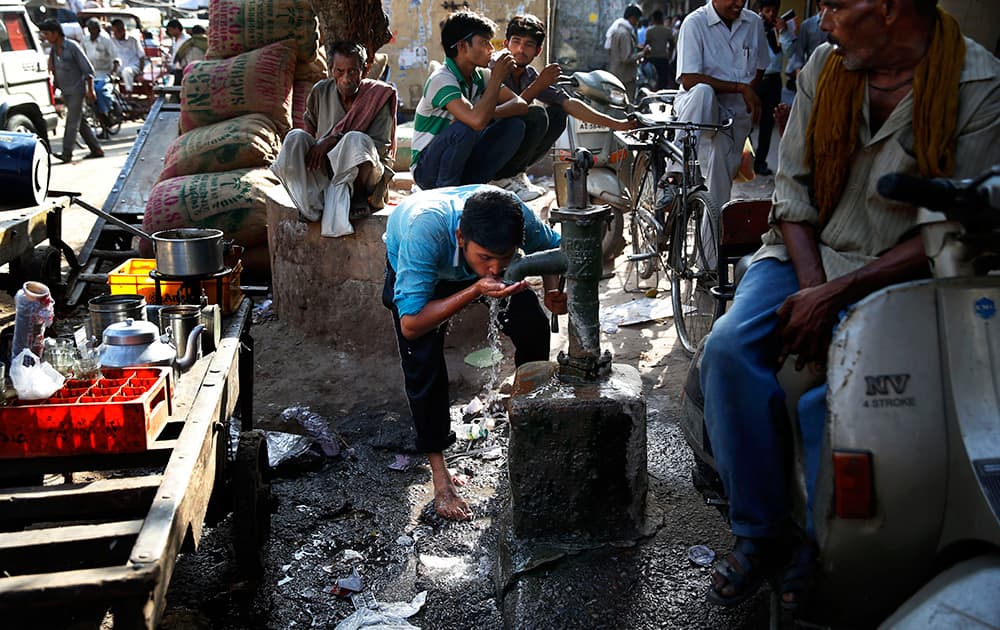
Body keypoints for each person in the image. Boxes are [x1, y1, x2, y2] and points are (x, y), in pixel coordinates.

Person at [699, 0, 1000, 611]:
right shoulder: (822, 67)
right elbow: (793, 191)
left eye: (836, 5)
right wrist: (816, 291)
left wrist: (839, 297)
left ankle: (824, 545)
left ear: (889, 9)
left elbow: (955, 224)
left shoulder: (978, 81)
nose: (824, 20)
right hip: (801, 253)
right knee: (727, 350)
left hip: (904, 271)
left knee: (843, 390)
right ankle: (758, 532)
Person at [383, 185, 566, 520]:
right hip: (423, 267)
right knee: (423, 364)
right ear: (461, 236)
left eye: (506, 258)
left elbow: (554, 249)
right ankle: (441, 479)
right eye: (486, 258)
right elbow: (411, 323)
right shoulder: (424, 233)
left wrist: (553, 290)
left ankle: (527, 417)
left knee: (534, 326)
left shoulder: (513, 213)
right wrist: (475, 289)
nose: (495, 269)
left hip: (465, 266)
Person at [488, 14, 637, 202]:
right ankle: (501, 177)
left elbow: (570, 104)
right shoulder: (495, 66)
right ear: (506, 43)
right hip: (489, 143)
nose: (520, 49)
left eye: (528, 44)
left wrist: (618, 124)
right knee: (536, 114)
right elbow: (511, 108)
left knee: (558, 114)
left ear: (538, 50)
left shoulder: (529, 75)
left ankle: (515, 173)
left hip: (508, 141)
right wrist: (538, 86)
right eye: (516, 42)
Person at [673, 0, 768, 266]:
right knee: (703, 92)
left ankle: (709, 264)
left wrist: (749, 95)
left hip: (734, 116)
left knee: (718, 192)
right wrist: (741, 88)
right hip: (698, 107)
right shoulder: (694, 23)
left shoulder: (754, 23)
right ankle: (674, 171)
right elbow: (689, 79)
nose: (739, 3)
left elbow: (760, 66)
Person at [271, 41, 397, 237]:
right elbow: (309, 133)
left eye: (353, 72)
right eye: (340, 71)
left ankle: (357, 200)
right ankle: (312, 202)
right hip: (327, 171)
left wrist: (332, 140)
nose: (346, 78)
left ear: (363, 70)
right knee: (295, 138)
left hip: (364, 176)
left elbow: (380, 150)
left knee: (355, 140)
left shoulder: (376, 96)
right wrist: (316, 150)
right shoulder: (320, 91)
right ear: (330, 70)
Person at [410, 11, 527, 192]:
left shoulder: (480, 76)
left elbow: (520, 105)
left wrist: (489, 113)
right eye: (484, 42)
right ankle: (446, 195)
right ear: (463, 46)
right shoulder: (442, 78)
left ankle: (477, 185)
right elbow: (476, 122)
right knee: (465, 129)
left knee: (515, 126)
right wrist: (496, 79)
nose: (490, 49)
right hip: (427, 170)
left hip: (462, 160)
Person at [39, 20, 104, 163]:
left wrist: (90, 90)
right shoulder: (54, 50)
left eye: (47, 34)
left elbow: (88, 70)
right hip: (65, 90)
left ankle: (66, 153)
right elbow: (55, 71)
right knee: (81, 122)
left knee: (71, 122)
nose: (46, 37)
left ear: (56, 33)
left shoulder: (72, 47)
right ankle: (96, 149)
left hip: (77, 90)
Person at [753, 0, 795, 176]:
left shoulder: (780, 28)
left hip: (773, 80)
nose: (771, 14)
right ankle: (742, 160)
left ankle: (760, 162)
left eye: (774, 11)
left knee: (767, 123)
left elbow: (790, 53)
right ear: (761, 11)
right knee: (746, 121)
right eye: (767, 10)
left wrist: (783, 31)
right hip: (755, 78)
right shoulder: (754, 27)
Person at [605, 5, 648, 100]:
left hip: (617, 73)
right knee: (627, 104)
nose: (637, 22)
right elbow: (626, 58)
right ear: (632, 18)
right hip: (625, 77)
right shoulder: (625, 33)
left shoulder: (618, 30)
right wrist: (642, 53)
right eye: (637, 19)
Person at [81, 18, 116, 136]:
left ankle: (106, 113)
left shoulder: (106, 41)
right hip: (89, 74)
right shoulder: (85, 41)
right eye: (90, 29)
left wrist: (113, 73)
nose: (92, 32)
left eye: (94, 29)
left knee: (100, 91)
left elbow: (115, 58)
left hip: (103, 73)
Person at [110, 18, 146, 93]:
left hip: (132, 66)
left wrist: (141, 71)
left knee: (126, 72)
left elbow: (141, 56)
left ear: (123, 30)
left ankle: (128, 93)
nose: (115, 34)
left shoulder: (133, 40)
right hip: (117, 67)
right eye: (114, 32)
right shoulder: (111, 41)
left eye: (117, 31)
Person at [644, 10, 676, 90]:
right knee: (663, 81)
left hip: (652, 59)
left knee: (652, 80)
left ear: (653, 19)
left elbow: (647, 45)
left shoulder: (649, 31)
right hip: (663, 58)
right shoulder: (668, 31)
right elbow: (672, 45)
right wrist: (669, 55)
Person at [165, 19, 189, 86]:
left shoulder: (187, 40)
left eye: (170, 30)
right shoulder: (174, 40)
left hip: (183, 69)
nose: (170, 32)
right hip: (176, 69)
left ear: (176, 29)